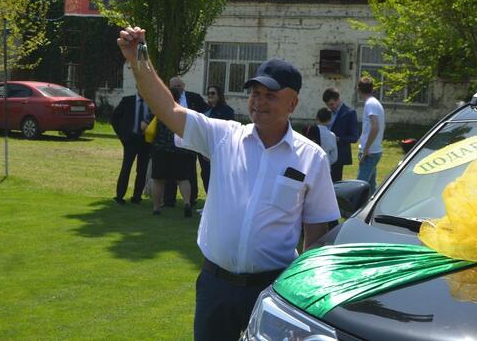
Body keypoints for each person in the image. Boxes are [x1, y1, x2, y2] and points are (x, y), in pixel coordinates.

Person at [115, 27, 339, 341]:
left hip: (271, 291)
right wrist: (139, 62)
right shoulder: (223, 136)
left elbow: (317, 235)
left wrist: (301, 295)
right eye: (255, 93)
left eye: (270, 95)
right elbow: (169, 110)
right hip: (215, 286)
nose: (259, 102)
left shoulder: (311, 158)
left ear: (292, 103)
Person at [149, 87, 195, 217]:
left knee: (158, 180)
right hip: (180, 150)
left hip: (161, 149)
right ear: (179, 97)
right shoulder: (184, 112)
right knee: (183, 179)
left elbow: (145, 125)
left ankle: (156, 207)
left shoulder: (158, 110)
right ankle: (187, 203)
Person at [163, 76, 208, 207]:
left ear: (184, 86)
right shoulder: (166, 98)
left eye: (180, 86)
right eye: (175, 86)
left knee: (190, 169)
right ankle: (169, 199)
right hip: (170, 140)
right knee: (170, 170)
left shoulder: (194, 97)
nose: (178, 88)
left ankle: (191, 198)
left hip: (190, 138)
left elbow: (205, 112)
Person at [111, 89, 150, 204]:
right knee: (126, 168)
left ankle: (137, 196)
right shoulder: (127, 101)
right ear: (138, 88)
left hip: (146, 141)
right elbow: (114, 118)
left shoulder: (152, 102)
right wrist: (123, 136)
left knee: (142, 169)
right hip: (130, 140)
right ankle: (119, 196)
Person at [199, 84, 235, 192]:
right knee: (205, 174)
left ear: (219, 95)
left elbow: (229, 131)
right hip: (204, 149)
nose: (210, 95)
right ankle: (208, 203)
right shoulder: (205, 109)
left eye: (213, 93)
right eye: (208, 93)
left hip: (219, 150)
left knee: (218, 176)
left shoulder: (227, 111)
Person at [322, 87, 358, 182]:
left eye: (332, 104)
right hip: (325, 152)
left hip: (338, 155)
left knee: (335, 182)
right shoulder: (327, 112)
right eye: (328, 105)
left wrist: (338, 139)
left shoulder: (349, 113)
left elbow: (354, 137)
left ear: (338, 99)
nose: (330, 107)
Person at [356, 76, 385, 195]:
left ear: (358, 89)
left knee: (359, 185)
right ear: (372, 89)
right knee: (371, 187)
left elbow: (375, 127)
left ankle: (355, 211)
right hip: (373, 150)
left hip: (370, 152)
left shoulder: (370, 104)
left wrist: (366, 149)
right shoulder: (375, 103)